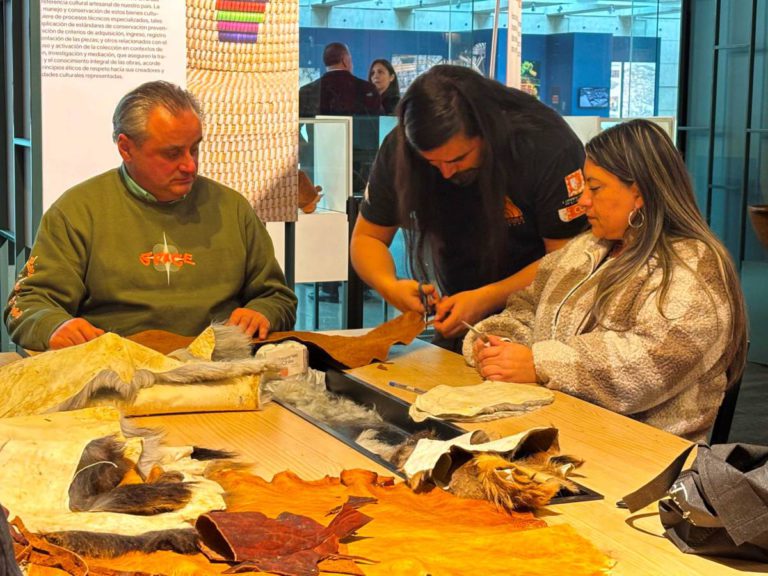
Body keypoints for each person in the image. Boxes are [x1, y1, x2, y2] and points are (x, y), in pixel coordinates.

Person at [464, 119, 747, 441]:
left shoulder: (692, 265)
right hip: (561, 432)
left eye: (595, 188)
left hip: (645, 452)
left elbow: (652, 365)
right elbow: (525, 309)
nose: (582, 200)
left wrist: (539, 363)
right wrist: (497, 345)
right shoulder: (583, 249)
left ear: (638, 193)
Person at [4, 81, 297, 351]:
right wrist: (55, 326)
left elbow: (277, 297)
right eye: (172, 153)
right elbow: (27, 303)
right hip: (116, 369)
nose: (190, 165)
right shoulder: (78, 211)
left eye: (194, 149)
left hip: (221, 367)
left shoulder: (232, 208)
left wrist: (262, 312)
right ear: (126, 148)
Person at [351, 65, 587, 350]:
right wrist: (390, 286)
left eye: (458, 159)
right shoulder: (402, 149)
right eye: (432, 163)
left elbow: (566, 259)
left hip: (543, 322)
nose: (446, 172)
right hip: (460, 315)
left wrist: (487, 298)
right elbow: (367, 238)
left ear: (486, 132)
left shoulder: (546, 146)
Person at [299, 43, 382, 117]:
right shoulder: (367, 89)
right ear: (345, 61)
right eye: (351, 60)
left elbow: (295, 124)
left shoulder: (306, 92)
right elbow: (380, 123)